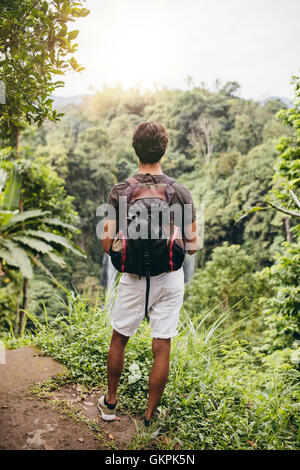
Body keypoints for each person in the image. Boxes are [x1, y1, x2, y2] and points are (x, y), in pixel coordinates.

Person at [99, 122, 198, 426]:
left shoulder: (120, 191)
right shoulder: (179, 192)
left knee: (119, 338)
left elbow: (106, 244)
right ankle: (149, 416)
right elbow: (193, 247)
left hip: (132, 277)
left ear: (135, 150)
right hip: (168, 276)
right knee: (162, 345)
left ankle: (110, 405)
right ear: (164, 149)